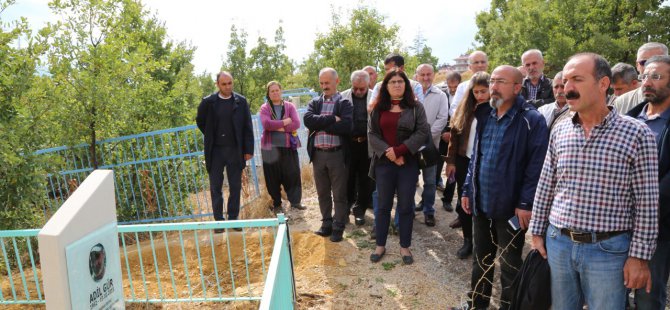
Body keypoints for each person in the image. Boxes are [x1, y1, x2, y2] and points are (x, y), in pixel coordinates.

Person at [529, 53, 659, 310]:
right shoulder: (561, 128)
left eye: (577, 79)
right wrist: (536, 230)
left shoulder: (636, 133)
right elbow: (547, 183)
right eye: (565, 81)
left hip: (608, 251)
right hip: (559, 243)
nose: (568, 88)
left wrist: (639, 257)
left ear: (603, 84)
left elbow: (647, 202)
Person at [457, 65, 549, 310]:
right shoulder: (485, 114)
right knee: (481, 259)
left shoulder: (532, 119)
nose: (494, 86)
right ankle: (477, 304)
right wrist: (467, 189)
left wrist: (525, 203)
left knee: (509, 265)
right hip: (481, 202)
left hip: (510, 208)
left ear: (517, 87)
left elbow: (536, 167)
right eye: (492, 81)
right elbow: (476, 157)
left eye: (501, 82)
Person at [368, 69, 429, 265]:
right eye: (392, 82)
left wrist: (401, 151)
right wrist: (391, 154)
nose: (396, 84)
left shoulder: (415, 107)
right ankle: (380, 245)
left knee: (405, 206)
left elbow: (422, 132)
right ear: (385, 86)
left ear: (406, 85)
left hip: (408, 164)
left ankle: (404, 246)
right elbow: (372, 135)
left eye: (400, 82)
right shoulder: (378, 108)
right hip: (384, 164)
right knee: (383, 206)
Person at [628, 55, 670, 310]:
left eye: (657, 77)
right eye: (645, 76)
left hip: (659, 228)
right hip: (619, 226)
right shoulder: (628, 120)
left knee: (647, 297)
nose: (647, 82)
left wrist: (646, 212)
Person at [196, 71, 254, 230]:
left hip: (235, 150)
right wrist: (210, 136)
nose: (227, 87)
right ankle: (219, 222)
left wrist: (248, 149)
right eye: (224, 84)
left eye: (230, 83)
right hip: (215, 151)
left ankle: (233, 220)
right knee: (216, 187)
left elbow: (247, 127)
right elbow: (200, 121)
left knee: (235, 186)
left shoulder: (241, 101)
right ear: (217, 85)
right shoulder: (208, 102)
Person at [303, 68, 353, 242]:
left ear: (336, 82)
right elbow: (308, 120)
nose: (324, 86)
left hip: (337, 155)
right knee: (322, 193)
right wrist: (333, 119)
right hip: (318, 155)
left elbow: (346, 126)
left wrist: (320, 123)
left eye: (327, 83)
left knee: (339, 194)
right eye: (322, 83)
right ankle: (326, 224)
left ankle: (339, 226)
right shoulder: (314, 102)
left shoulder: (344, 103)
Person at [445, 71, 491, 259]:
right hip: (464, 161)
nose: (479, 96)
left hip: (486, 163)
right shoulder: (465, 109)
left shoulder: (496, 109)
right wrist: (451, 161)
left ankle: (485, 242)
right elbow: (454, 138)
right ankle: (467, 240)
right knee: (465, 202)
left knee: (483, 203)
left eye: (483, 91)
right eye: (476, 92)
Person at [259, 81, 305, 213]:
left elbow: (296, 123)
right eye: (272, 91)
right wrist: (285, 122)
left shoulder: (290, 106)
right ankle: (277, 204)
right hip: (270, 149)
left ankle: (295, 202)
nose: (275, 93)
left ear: (281, 91)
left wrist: (277, 127)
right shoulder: (264, 108)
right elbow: (266, 124)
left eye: (277, 90)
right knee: (272, 177)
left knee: (292, 174)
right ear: (268, 93)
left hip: (288, 146)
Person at [413, 64, 450, 226]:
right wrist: (414, 141)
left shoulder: (441, 95)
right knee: (409, 180)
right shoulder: (409, 94)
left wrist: (425, 138)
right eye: (422, 74)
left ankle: (429, 211)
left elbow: (442, 119)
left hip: (430, 146)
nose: (426, 78)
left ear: (433, 75)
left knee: (429, 182)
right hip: (410, 147)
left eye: (429, 74)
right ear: (416, 75)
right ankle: (409, 210)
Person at [341, 70, 374, 226]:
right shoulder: (342, 97)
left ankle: (360, 209)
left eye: (362, 89)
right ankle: (346, 207)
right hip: (348, 144)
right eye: (356, 88)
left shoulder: (376, 96)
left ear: (368, 84)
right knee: (347, 177)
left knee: (366, 179)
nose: (359, 92)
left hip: (368, 144)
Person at [613, 42, 668, 114]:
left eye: (657, 61)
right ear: (637, 65)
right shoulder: (622, 103)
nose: (649, 66)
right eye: (644, 62)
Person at [436, 71, 460, 210]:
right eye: (449, 86)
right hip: (442, 138)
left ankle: (448, 198)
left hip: (457, 138)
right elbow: (439, 115)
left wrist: (452, 134)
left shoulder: (465, 94)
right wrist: (443, 133)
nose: (452, 90)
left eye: (455, 87)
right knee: (436, 167)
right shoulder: (441, 94)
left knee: (453, 170)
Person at [450, 51, 489, 116]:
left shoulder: (495, 84)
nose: (480, 65)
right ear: (470, 66)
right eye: (476, 62)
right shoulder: (462, 87)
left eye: (483, 62)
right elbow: (454, 109)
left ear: (487, 64)